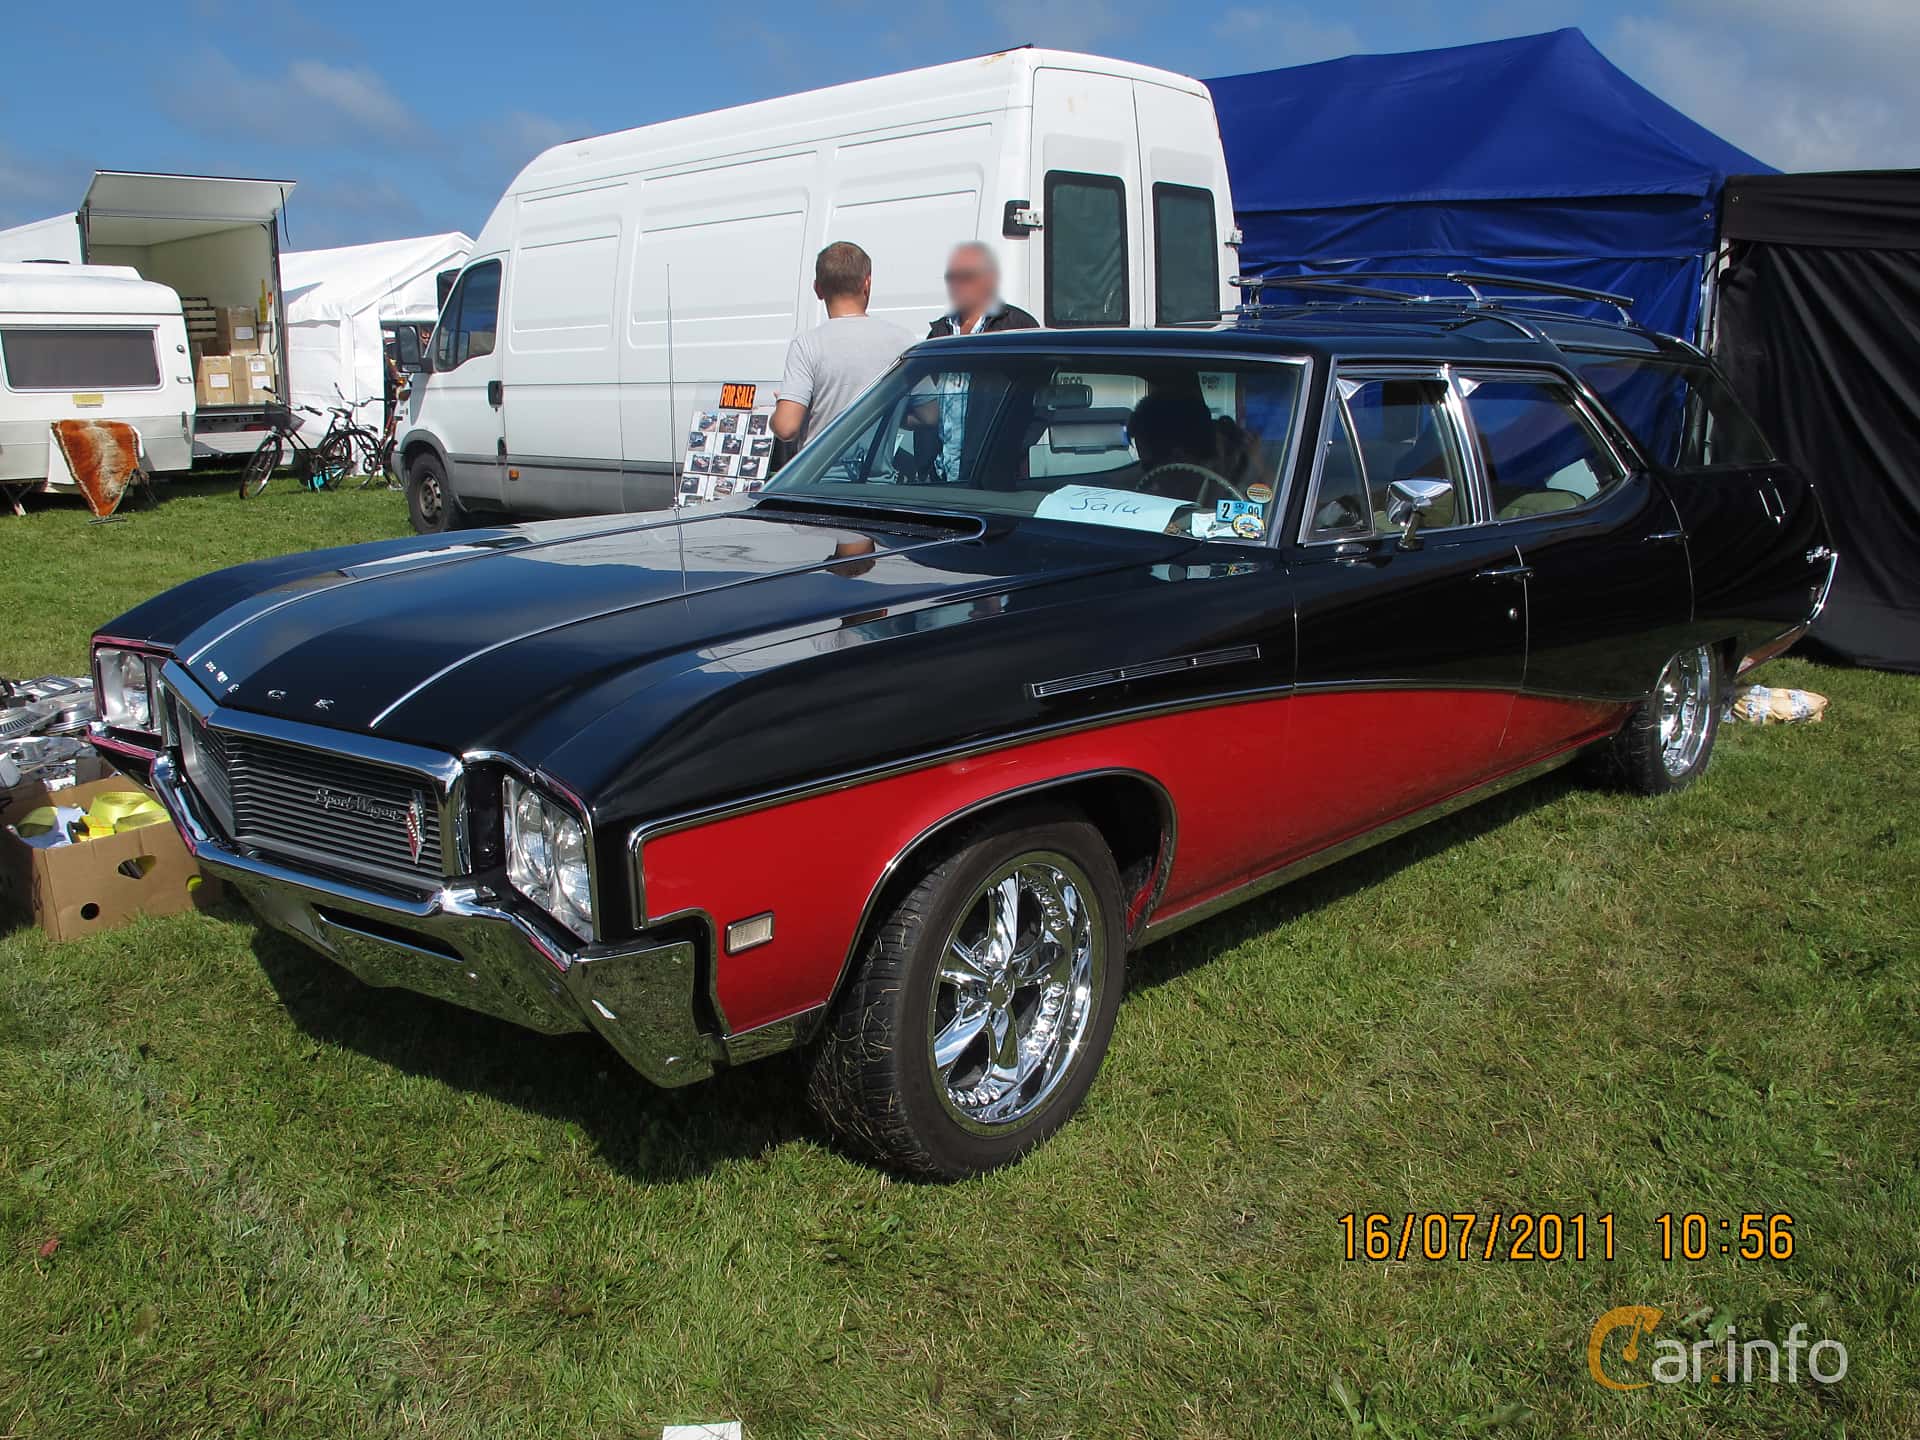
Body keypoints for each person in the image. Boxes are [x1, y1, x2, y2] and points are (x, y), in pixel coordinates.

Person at [771, 242, 913, 447]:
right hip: (878, 467)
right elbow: (928, 415)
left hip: (822, 466)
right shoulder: (903, 340)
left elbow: (786, 427)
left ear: (818, 289)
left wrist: (778, 413)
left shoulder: (808, 345)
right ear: (867, 283)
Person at [925, 242, 1037, 339]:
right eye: (952, 277)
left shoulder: (1018, 325)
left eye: (966, 276)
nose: (957, 285)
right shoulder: (940, 331)